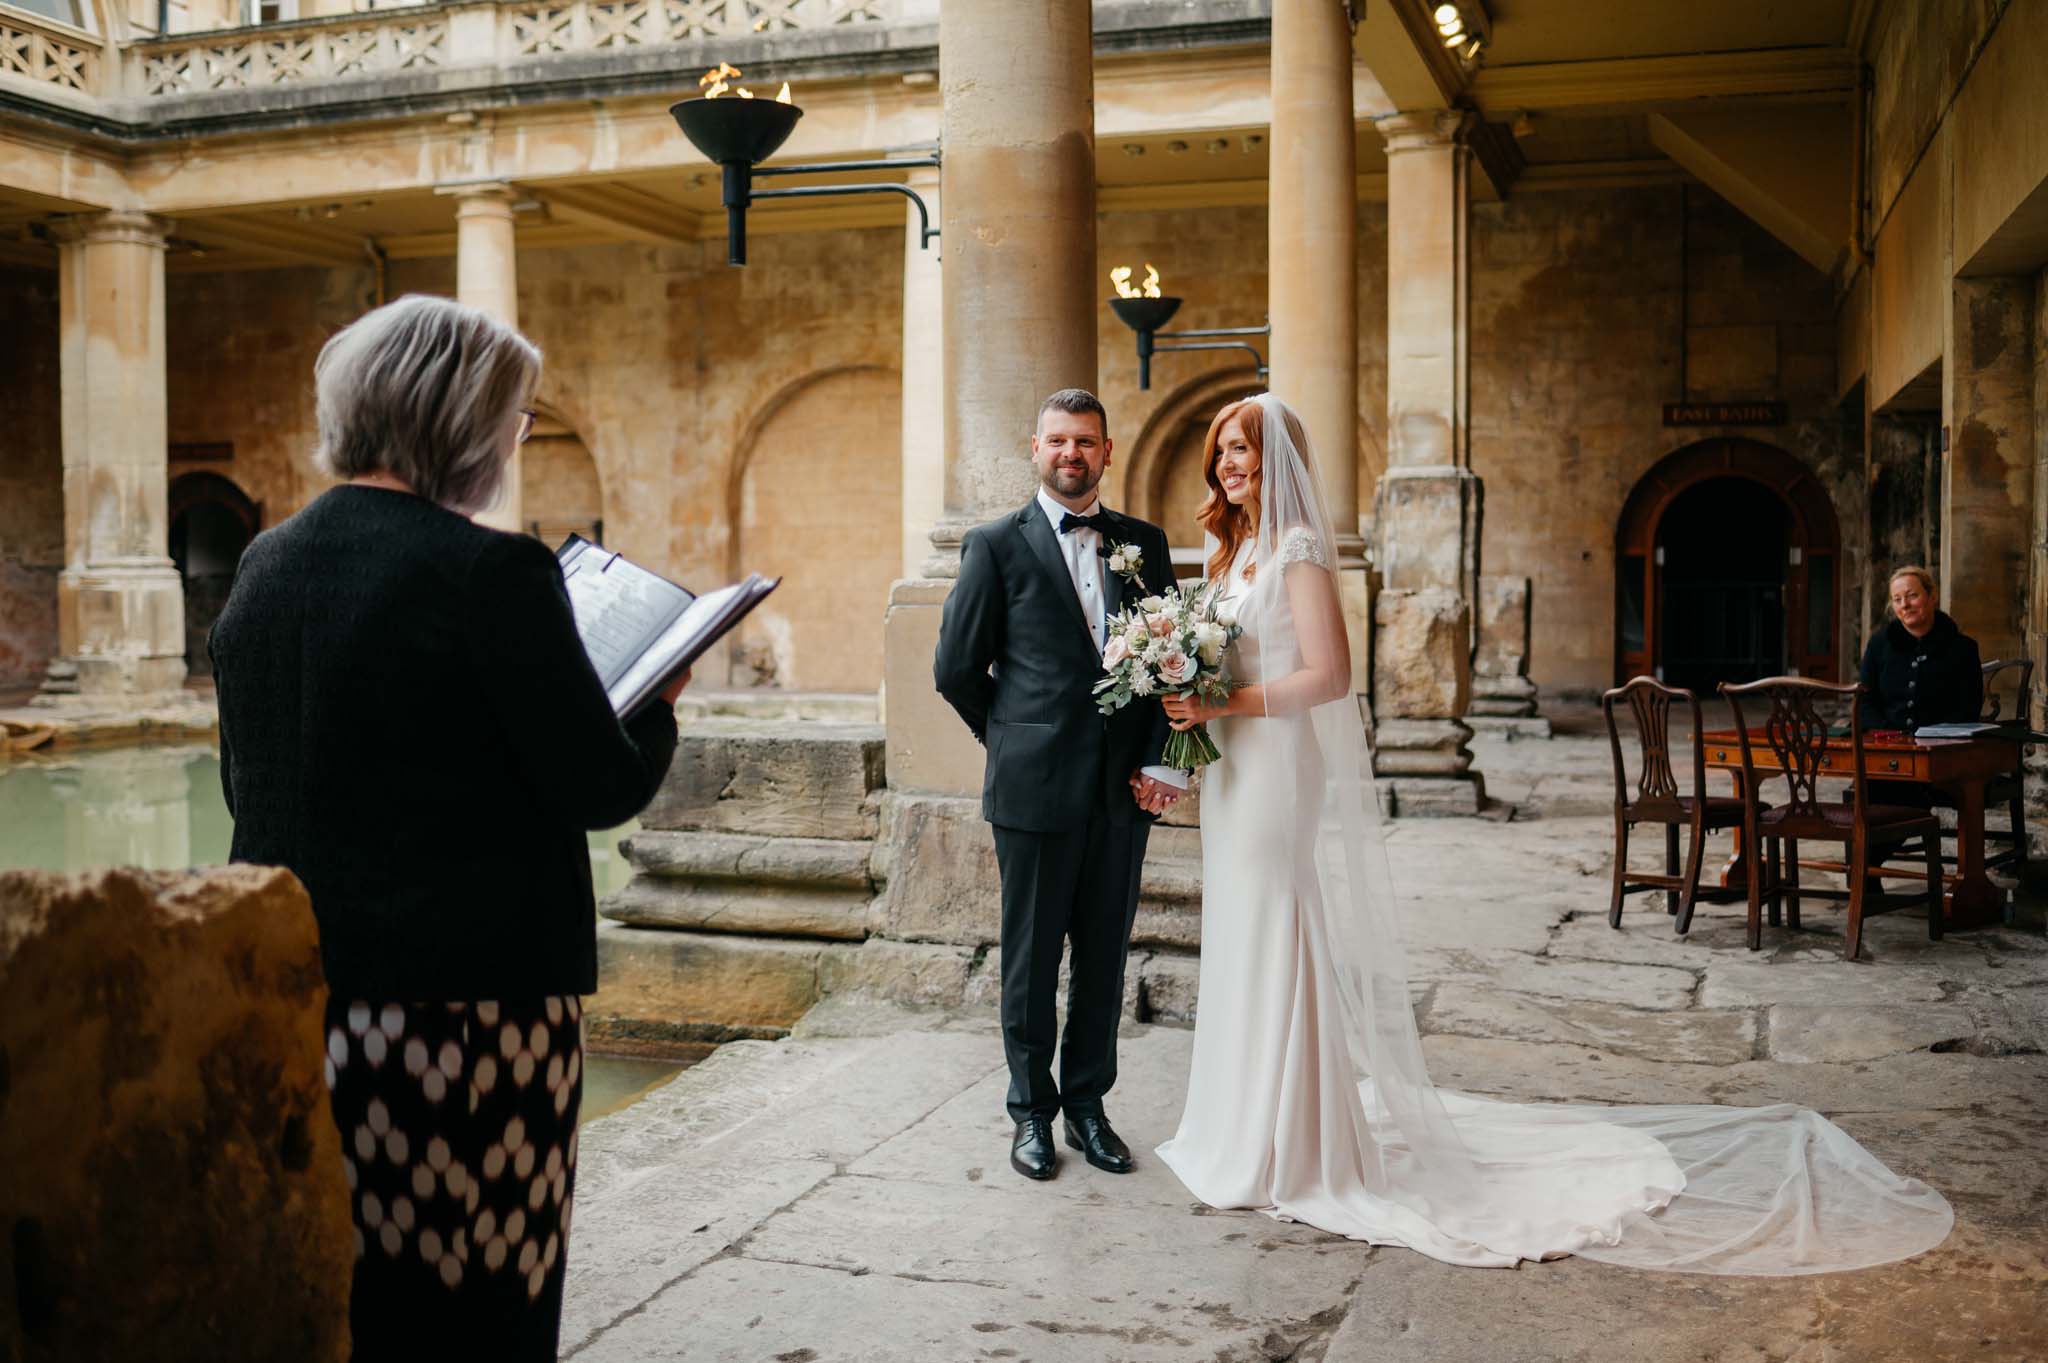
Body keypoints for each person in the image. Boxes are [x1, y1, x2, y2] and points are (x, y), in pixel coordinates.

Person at [1152, 392, 1953, 1274]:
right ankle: (1241, 1119)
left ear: (1282, 457)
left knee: (1277, 921)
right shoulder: (1232, 552)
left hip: (1276, 767)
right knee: (1241, 924)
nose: (1232, 463)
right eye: (1224, 449)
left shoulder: (1300, 551)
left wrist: (1227, 699)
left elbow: (1332, 675)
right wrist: (1184, 736)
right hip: (1232, 769)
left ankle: (1288, 1140)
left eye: (1248, 449)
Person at [209, 294, 685, 1360]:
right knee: (486, 1304)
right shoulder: (490, 570)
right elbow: (594, 787)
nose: (514, 444)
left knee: (359, 1299)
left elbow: (255, 777)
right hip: (470, 1020)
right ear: (461, 418)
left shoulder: (266, 563)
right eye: (514, 420)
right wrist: (654, 705)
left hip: (316, 1000)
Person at [933, 388, 1185, 1182]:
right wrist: (1012, 737)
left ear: (1107, 451)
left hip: (1121, 793)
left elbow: (1171, 663)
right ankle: (1031, 1114)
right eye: (1057, 441)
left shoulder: (1143, 543)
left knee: (1104, 957)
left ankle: (1088, 1108)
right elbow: (955, 669)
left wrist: (1158, 759)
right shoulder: (993, 545)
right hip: (1033, 788)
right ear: (1033, 449)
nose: (1070, 454)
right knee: (1032, 959)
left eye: (1086, 441)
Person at [1860, 565, 1983, 731]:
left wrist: (1934, 737)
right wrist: (1890, 735)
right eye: (1897, 599)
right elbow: (1865, 701)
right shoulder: (1878, 645)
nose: (1904, 605)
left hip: (1941, 747)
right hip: (1886, 743)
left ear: (1932, 597)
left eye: (1912, 596)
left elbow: (1968, 708)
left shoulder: (1963, 648)